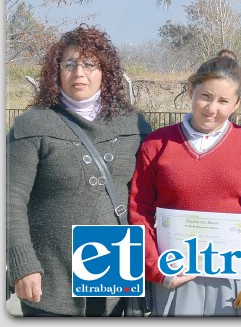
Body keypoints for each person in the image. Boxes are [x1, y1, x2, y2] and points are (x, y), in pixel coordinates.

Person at [6, 24, 152, 316]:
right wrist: (23, 265)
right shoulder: (32, 125)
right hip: (50, 281)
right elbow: (9, 200)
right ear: (56, 70)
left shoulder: (135, 126)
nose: (79, 73)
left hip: (116, 275)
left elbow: (151, 197)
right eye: (69, 64)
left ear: (105, 72)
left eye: (89, 64)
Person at [128, 52, 241, 316]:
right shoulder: (157, 144)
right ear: (191, 91)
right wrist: (154, 266)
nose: (211, 108)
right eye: (206, 96)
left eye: (223, 101)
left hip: (234, 276)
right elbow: (139, 211)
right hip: (173, 275)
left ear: (236, 104)